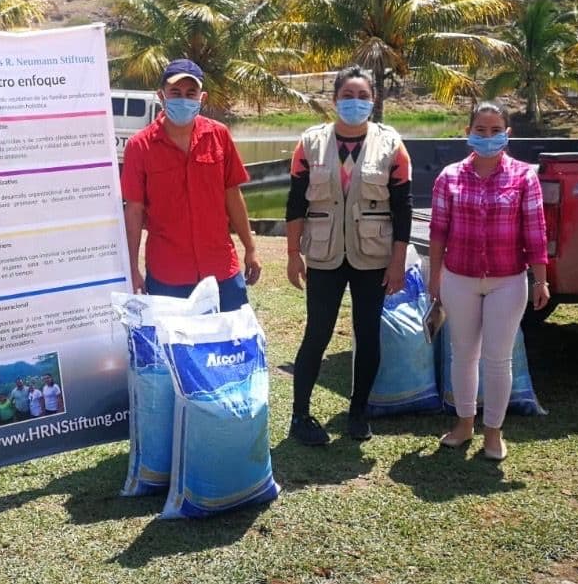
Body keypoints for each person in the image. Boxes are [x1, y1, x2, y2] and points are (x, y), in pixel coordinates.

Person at [285, 66, 412, 445]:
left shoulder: (392, 145)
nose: (355, 103)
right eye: (347, 95)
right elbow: (294, 204)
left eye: (362, 96)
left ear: (372, 100)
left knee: (368, 333)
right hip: (324, 256)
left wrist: (398, 261)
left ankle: (359, 413)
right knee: (317, 333)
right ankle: (300, 416)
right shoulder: (309, 143)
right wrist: (293, 254)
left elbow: (403, 208)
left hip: (371, 256)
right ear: (334, 99)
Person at [429, 102, 548, 462]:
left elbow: (536, 232)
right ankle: (465, 424)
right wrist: (435, 277)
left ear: (507, 134)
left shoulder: (525, 176)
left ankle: (493, 433)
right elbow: (437, 233)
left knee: (498, 360)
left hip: (508, 281)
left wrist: (540, 280)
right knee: (463, 355)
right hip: (459, 279)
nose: (487, 137)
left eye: (495, 130)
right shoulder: (449, 177)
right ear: (468, 132)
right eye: (480, 130)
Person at [120, 58, 260, 312]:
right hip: (168, 274)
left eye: (190, 93)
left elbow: (233, 195)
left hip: (221, 270)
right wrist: (131, 268)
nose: (183, 99)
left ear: (201, 97)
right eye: (175, 92)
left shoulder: (219, 135)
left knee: (230, 345)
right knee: (175, 348)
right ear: (161, 95)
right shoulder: (139, 147)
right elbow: (134, 210)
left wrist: (250, 249)